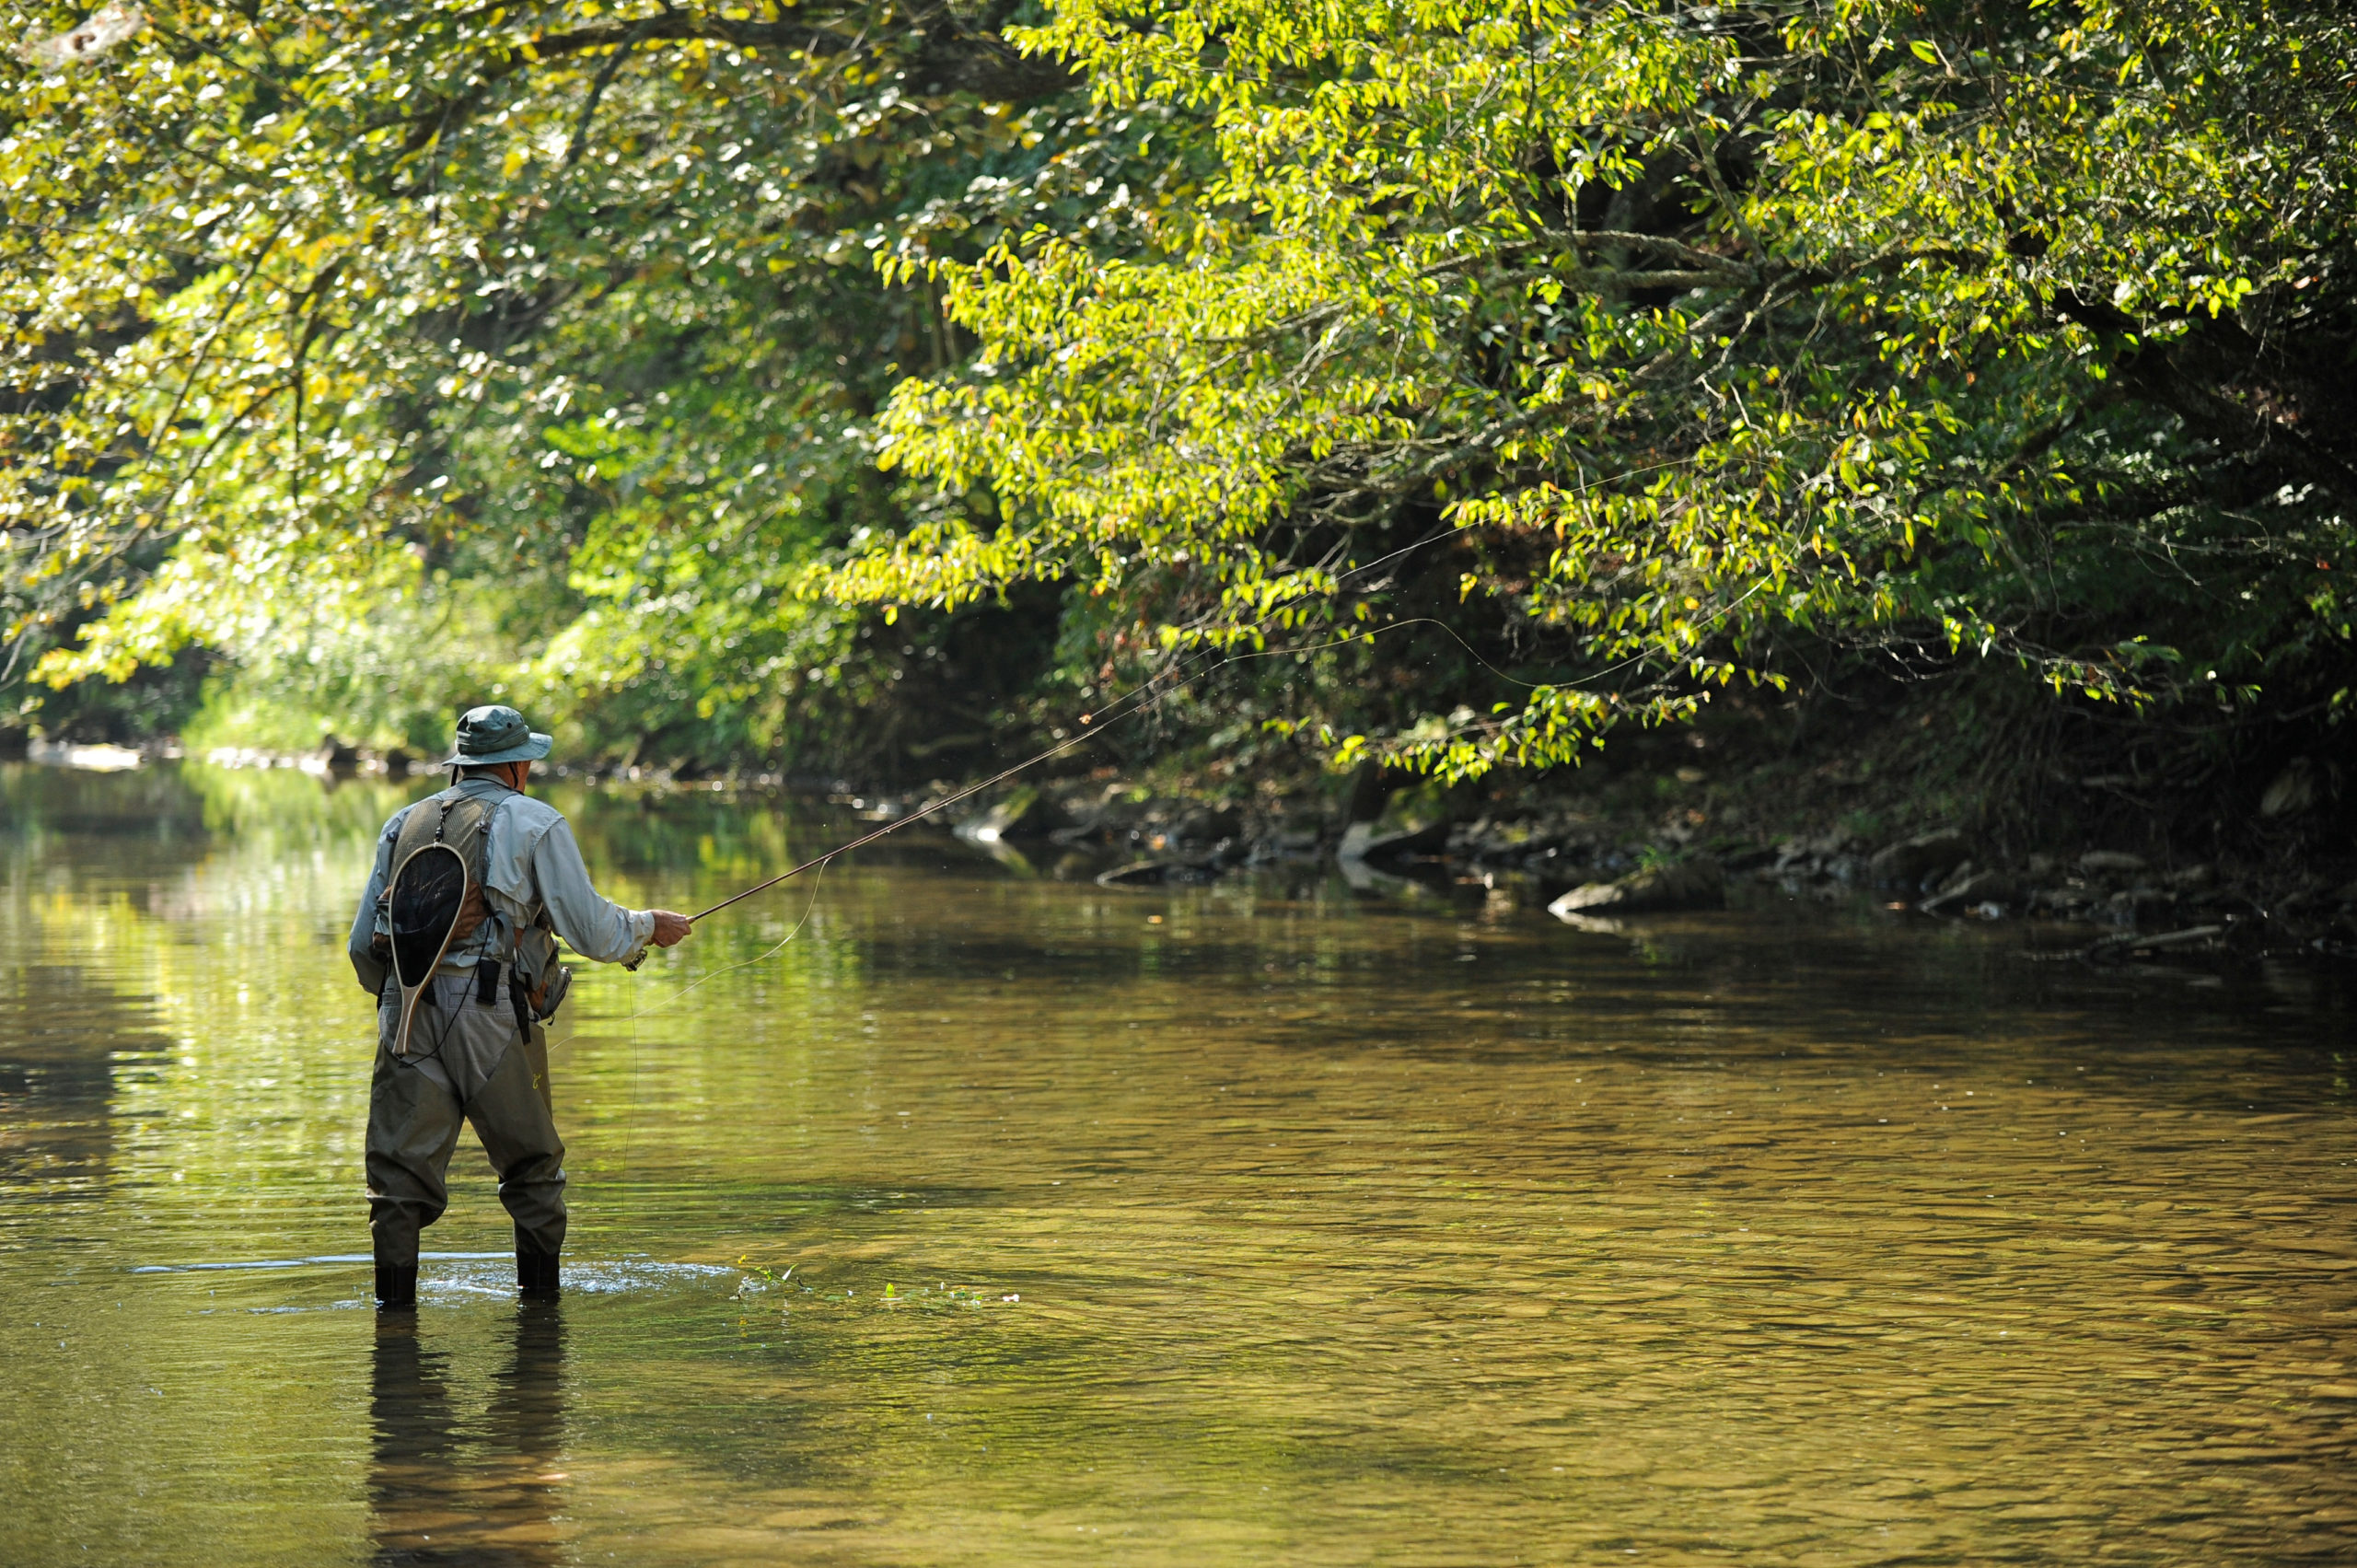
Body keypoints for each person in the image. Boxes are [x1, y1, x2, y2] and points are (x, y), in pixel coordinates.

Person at [348, 705, 691, 1307]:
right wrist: (648, 926)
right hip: (491, 1013)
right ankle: (540, 1324)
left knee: (397, 1185)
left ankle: (393, 1321)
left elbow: (361, 949)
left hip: (405, 1013)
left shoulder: (402, 822)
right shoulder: (536, 822)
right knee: (531, 1168)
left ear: (460, 764)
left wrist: (400, 1002)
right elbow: (590, 929)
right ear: (515, 765)